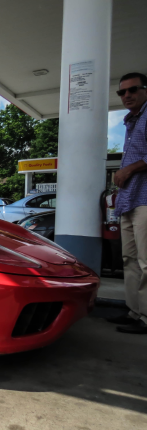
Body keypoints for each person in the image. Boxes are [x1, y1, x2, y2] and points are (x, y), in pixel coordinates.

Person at [110, 72, 147, 334]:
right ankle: (135, 312)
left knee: (145, 262)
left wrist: (128, 170)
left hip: (145, 199)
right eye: (121, 92)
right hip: (128, 200)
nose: (126, 96)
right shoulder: (130, 121)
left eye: (132, 90)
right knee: (129, 260)